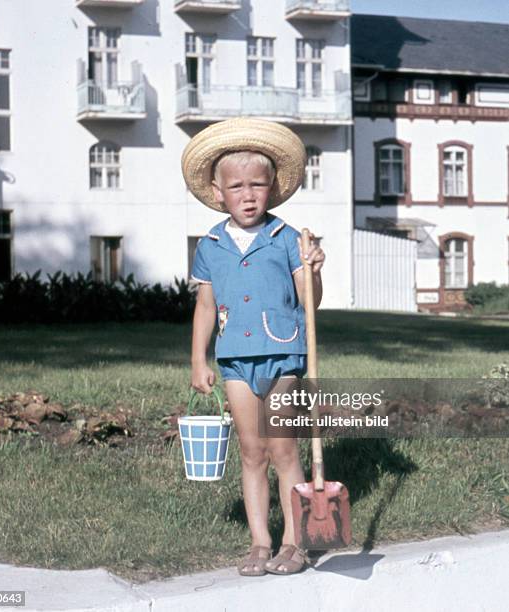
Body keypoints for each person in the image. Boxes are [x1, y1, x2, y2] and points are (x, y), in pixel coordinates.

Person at [182, 117, 325, 576]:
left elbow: (311, 301)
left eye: (257, 186)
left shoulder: (287, 240)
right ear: (219, 192)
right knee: (251, 452)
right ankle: (260, 542)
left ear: (272, 189)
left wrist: (314, 268)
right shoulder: (211, 245)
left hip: (282, 356)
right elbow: (206, 307)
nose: (248, 195)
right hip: (234, 362)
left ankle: (295, 542)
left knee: (283, 451)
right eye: (237, 186)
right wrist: (198, 359)